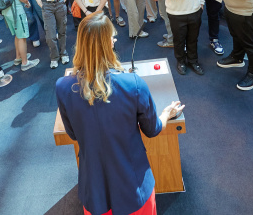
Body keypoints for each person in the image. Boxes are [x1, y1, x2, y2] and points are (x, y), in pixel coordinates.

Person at [55, 12, 184, 215]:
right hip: (133, 188)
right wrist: (166, 113)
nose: (115, 40)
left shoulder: (63, 87)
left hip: (94, 191)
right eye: (112, 37)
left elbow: (73, 134)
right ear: (107, 44)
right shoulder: (133, 84)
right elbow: (152, 129)